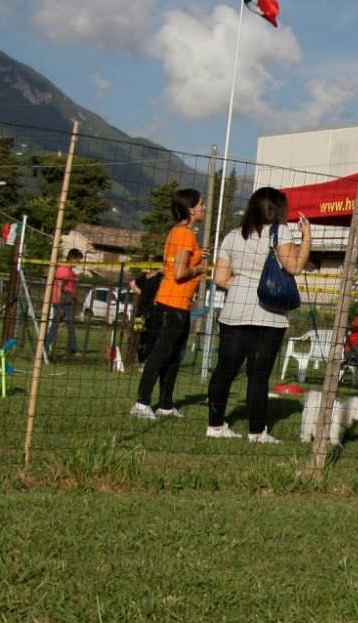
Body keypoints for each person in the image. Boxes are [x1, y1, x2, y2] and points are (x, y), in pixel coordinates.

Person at [207, 187, 312, 443]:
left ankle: (215, 425)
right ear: (277, 209)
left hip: (234, 311)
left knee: (225, 370)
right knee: (259, 374)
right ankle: (256, 431)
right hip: (269, 314)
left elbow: (220, 278)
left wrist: (243, 284)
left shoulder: (232, 236)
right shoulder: (281, 232)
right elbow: (295, 267)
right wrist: (307, 237)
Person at [131, 193, 204, 419]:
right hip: (173, 303)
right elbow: (181, 272)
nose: (204, 208)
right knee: (161, 354)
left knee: (174, 356)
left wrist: (199, 256)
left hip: (179, 303)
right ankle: (142, 403)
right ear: (190, 209)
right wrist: (200, 269)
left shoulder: (181, 233)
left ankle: (165, 404)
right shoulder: (184, 234)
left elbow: (176, 266)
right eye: (201, 204)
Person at [44, 248, 82, 357]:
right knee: (58, 325)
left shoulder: (70, 271)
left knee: (66, 325)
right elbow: (59, 286)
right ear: (72, 258)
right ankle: (47, 347)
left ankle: (72, 348)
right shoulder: (64, 270)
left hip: (67, 300)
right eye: (78, 260)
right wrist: (60, 304)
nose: (78, 263)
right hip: (61, 301)